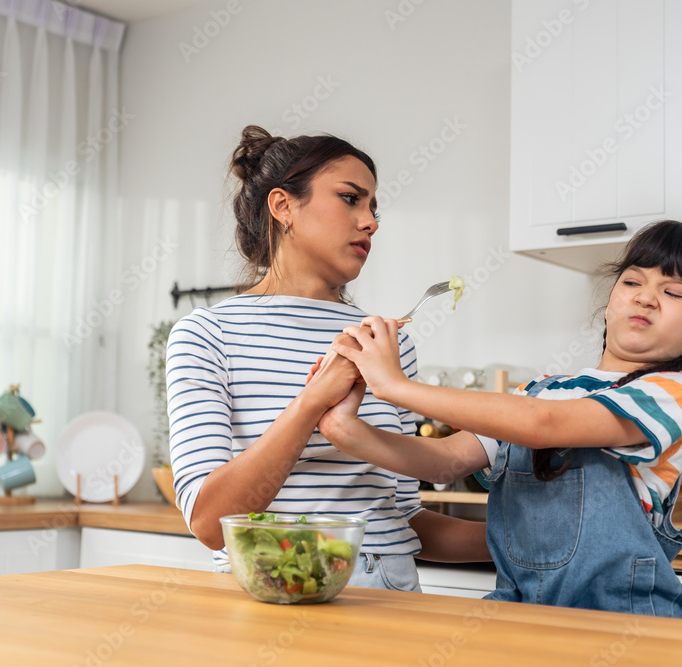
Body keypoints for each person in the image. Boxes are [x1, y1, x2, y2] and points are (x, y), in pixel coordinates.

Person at [320, 220, 682, 617]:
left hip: (623, 620)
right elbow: (441, 460)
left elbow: (544, 425)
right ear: (610, 300)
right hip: (517, 613)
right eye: (632, 282)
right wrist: (345, 428)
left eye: (675, 293)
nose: (645, 297)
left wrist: (397, 386)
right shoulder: (539, 390)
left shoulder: (675, 394)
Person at [166, 125, 490, 592]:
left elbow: (400, 519)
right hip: (272, 591)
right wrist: (314, 400)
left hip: (391, 596)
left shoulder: (388, 346)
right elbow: (212, 522)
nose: (371, 222)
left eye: (374, 208)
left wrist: (530, 540)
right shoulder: (208, 334)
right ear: (283, 207)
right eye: (350, 199)